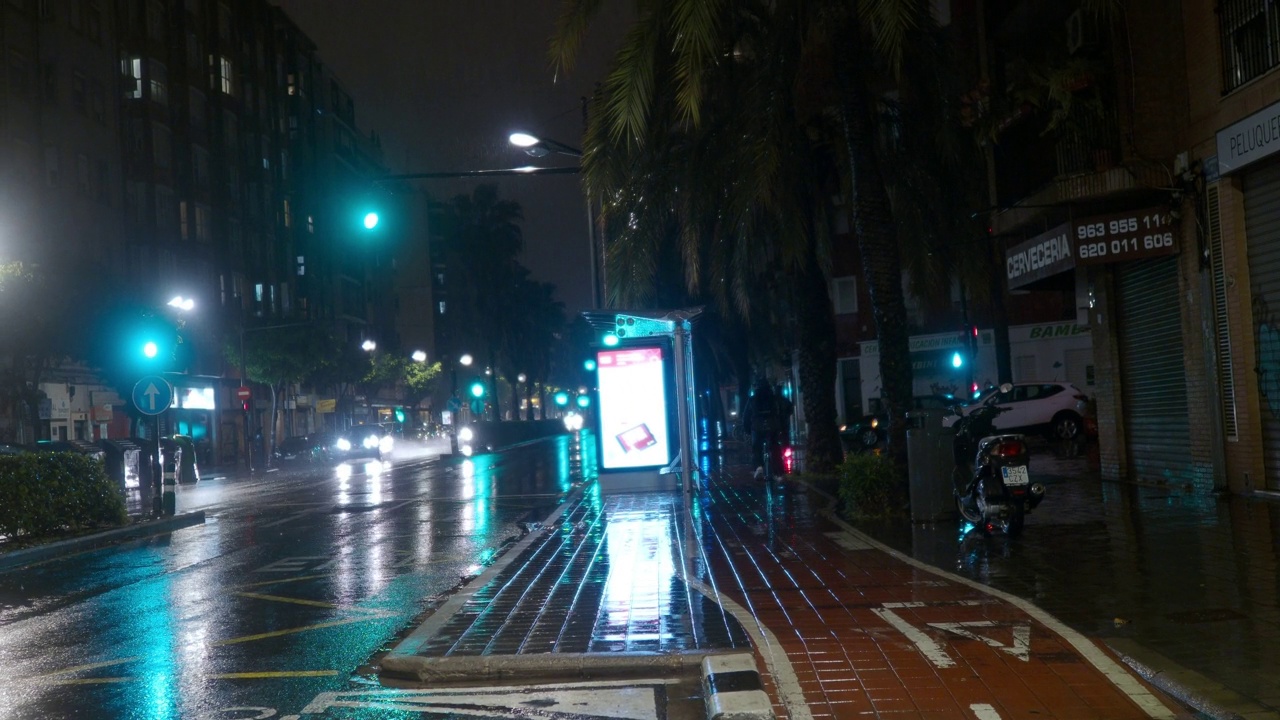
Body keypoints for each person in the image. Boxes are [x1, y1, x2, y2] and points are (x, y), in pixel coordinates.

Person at [743, 378, 778, 480]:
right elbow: (779, 412)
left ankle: (758, 468)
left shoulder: (752, 399)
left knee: (756, 448)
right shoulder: (773, 398)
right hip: (772, 425)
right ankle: (777, 471)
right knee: (774, 446)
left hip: (757, 426)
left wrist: (747, 429)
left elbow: (746, 416)